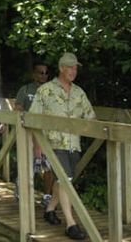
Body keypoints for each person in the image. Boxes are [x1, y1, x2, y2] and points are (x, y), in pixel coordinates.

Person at [29, 52, 96, 240]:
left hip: (73, 144)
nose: (73, 71)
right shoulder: (46, 90)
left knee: (65, 180)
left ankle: (50, 209)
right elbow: (33, 119)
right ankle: (70, 223)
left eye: (75, 68)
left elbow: (91, 117)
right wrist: (37, 146)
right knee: (65, 180)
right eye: (70, 67)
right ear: (61, 68)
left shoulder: (79, 92)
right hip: (53, 143)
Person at [15, 62, 54, 207]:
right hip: (28, 135)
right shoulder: (25, 90)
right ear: (34, 74)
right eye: (40, 72)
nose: (43, 76)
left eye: (45, 73)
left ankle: (47, 195)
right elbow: (18, 110)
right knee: (28, 164)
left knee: (49, 166)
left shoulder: (52, 92)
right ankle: (22, 189)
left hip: (47, 136)